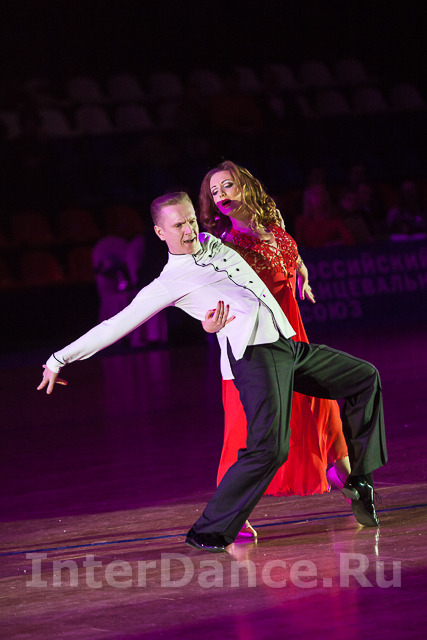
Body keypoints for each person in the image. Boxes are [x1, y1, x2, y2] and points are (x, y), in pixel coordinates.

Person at [38, 191, 387, 553]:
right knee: (270, 449)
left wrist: (297, 265)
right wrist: (58, 359)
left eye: (191, 220)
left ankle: (359, 479)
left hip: (287, 345)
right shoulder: (169, 282)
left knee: (363, 378)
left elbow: (256, 247)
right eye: (178, 225)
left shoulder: (214, 243)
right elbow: (115, 325)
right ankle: (208, 530)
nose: (189, 230)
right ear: (160, 232)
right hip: (254, 357)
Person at [199, 161, 351, 538]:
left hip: (292, 335)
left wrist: (302, 272)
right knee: (244, 426)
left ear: (246, 187)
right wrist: (209, 320)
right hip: (251, 345)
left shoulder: (276, 227)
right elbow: (207, 290)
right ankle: (231, 511)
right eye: (214, 192)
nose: (221, 195)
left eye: (227, 186)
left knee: (320, 405)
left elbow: (289, 254)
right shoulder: (222, 246)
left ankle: (348, 477)